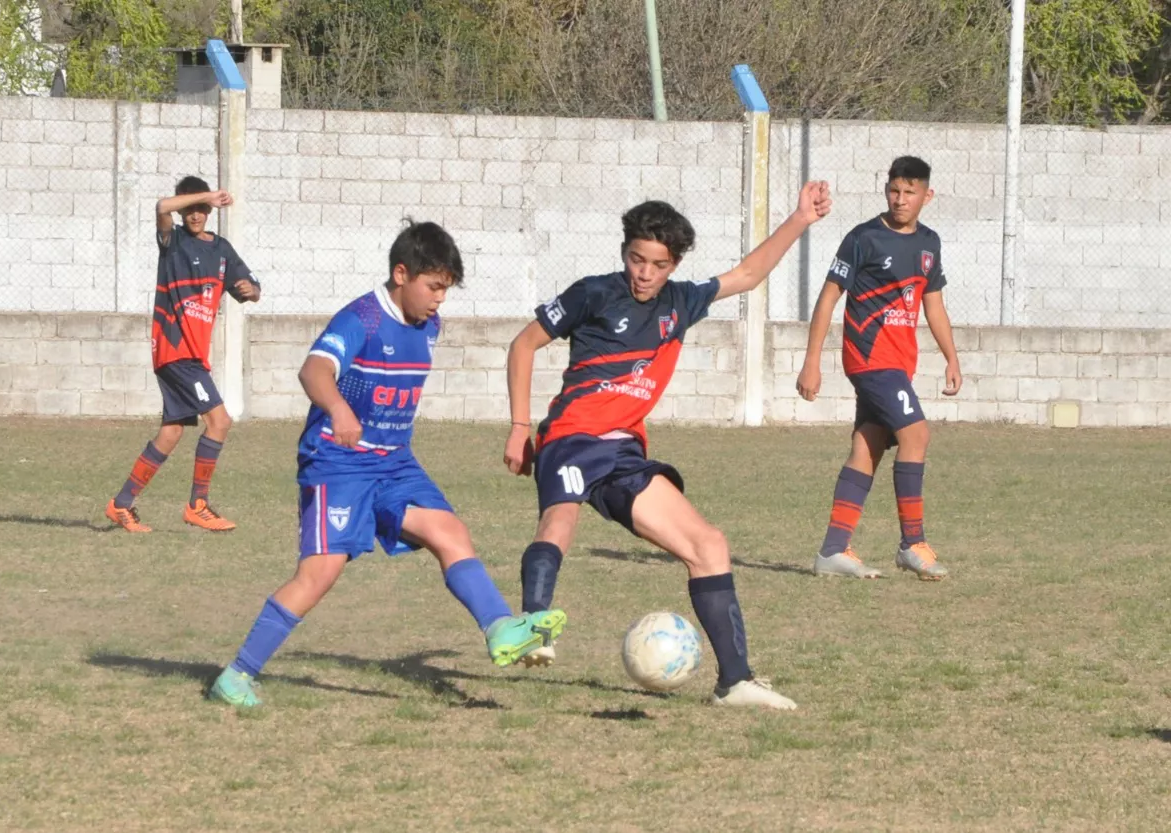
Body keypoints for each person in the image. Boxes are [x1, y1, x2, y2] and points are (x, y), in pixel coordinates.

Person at [209, 220, 567, 708]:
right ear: (402, 274)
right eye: (434, 286)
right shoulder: (362, 319)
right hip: (339, 464)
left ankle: (501, 628)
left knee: (451, 533)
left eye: (446, 289)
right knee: (318, 576)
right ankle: (236, 676)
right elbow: (313, 369)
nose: (440, 299)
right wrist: (337, 409)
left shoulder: (429, 326)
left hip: (395, 464)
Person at [503, 182, 832, 710]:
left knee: (709, 546)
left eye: (657, 264)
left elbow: (748, 275)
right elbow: (524, 344)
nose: (644, 273)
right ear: (625, 253)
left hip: (625, 454)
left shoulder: (681, 302)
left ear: (674, 264)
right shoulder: (592, 293)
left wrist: (799, 219)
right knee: (558, 524)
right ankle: (533, 626)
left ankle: (735, 682)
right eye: (637, 259)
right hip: (570, 439)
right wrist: (521, 427)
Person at [799, 156, 962, 580]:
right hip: (870, 359)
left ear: (928, 195)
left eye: (910, 192)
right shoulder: (864, 238)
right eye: (894, 190)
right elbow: (829, 296)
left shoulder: (929, 244)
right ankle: (912, 544)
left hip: (899, 364)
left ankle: (833, 550)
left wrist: (952, 356)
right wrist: (811, 360)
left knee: (867, 446)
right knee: (917, 434)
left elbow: (933, 303)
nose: (900, 199)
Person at [105, 176, 261, 533]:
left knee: (172, 432)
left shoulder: (221, 250)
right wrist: (206, 194)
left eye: (201, 209)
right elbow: (161, 208)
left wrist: (251, 291)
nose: (195, 215)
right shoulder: (171, 242)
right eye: (189, 207)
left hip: (192, 356)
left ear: (208, 212)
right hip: (175, 351)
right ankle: (198, 505)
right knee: (219, 421)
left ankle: (121, 504)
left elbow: (252, 288)